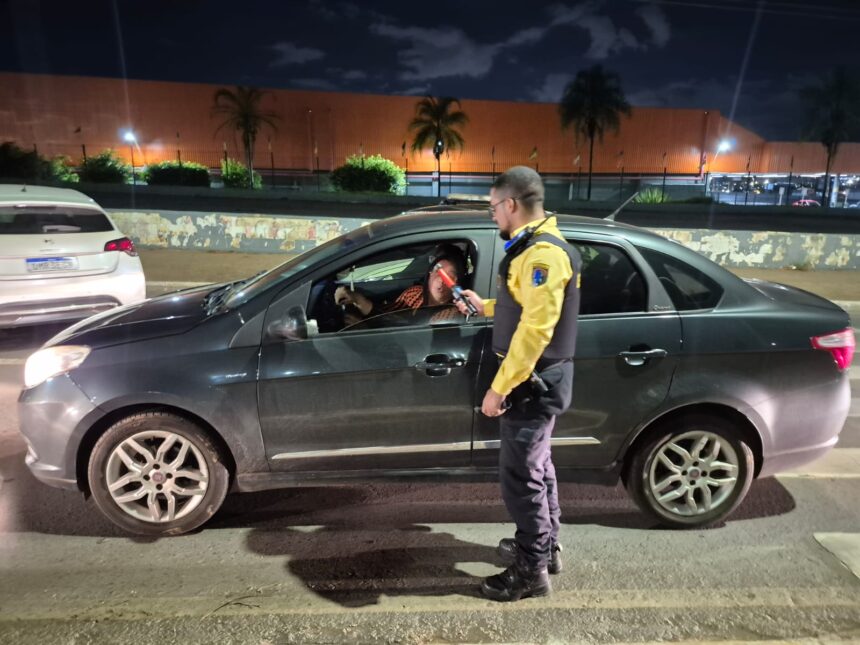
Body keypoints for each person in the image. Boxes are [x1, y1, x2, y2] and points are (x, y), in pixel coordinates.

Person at [455, 166, 581, 602]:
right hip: (538, 380)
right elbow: (526, 305)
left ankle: (531, 572)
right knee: (538, 468)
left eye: (493, 207)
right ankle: (546, 549)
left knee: (521, 478)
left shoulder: (544, 255)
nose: (492, 215)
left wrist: (500, 387)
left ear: (510, 204)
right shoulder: (534, 248)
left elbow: (536, 329)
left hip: (532, 383)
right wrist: (485, 305)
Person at [334, 248, 467, 326]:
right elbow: (385, 315)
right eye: (438, 272)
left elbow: (411, 339)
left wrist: (363, 328)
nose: (441, 281)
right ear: (430, 273)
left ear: (457, 282)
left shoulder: (451, 314)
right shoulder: (414, 294)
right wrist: (357, 300)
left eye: (449, 276)